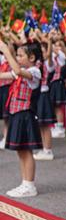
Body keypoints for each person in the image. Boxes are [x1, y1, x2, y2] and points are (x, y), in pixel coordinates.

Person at [0, 40, 43, 198]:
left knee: (26, 150)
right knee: (21, 151)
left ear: (31, 57)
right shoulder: (23, 69)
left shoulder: (34, 71)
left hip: (26, 114)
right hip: (17, 113)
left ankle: (29, 184)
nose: (17, 57)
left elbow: (17, 71)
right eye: (16, 55)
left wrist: (5, 49)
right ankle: (25, 182)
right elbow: (5, 75)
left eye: (20, 55)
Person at [32, 33, 56, 161]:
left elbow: (50, 56)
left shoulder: (47, 63)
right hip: (38, 95)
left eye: (43, 50)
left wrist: (50, 43)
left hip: (44, 94)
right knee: (41, 124)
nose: (42, 53)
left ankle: (48, 150)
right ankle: (44, 148)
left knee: (45, 124)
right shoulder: (37, 65)